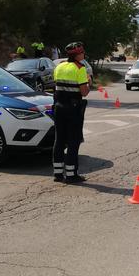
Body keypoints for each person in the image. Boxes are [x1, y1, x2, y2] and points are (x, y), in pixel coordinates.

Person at [52, 42, 90, 183]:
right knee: (74, 141)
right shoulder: (80, 68)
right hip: (73, 109)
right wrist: (88, 82)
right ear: (77, 55)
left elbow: (56, 85)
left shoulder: (59, 66)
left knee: (59, 140)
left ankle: (57, 173)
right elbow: (84, 92)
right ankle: (71, 174)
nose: (83, 54)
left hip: (58, 107)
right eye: (82, 53)